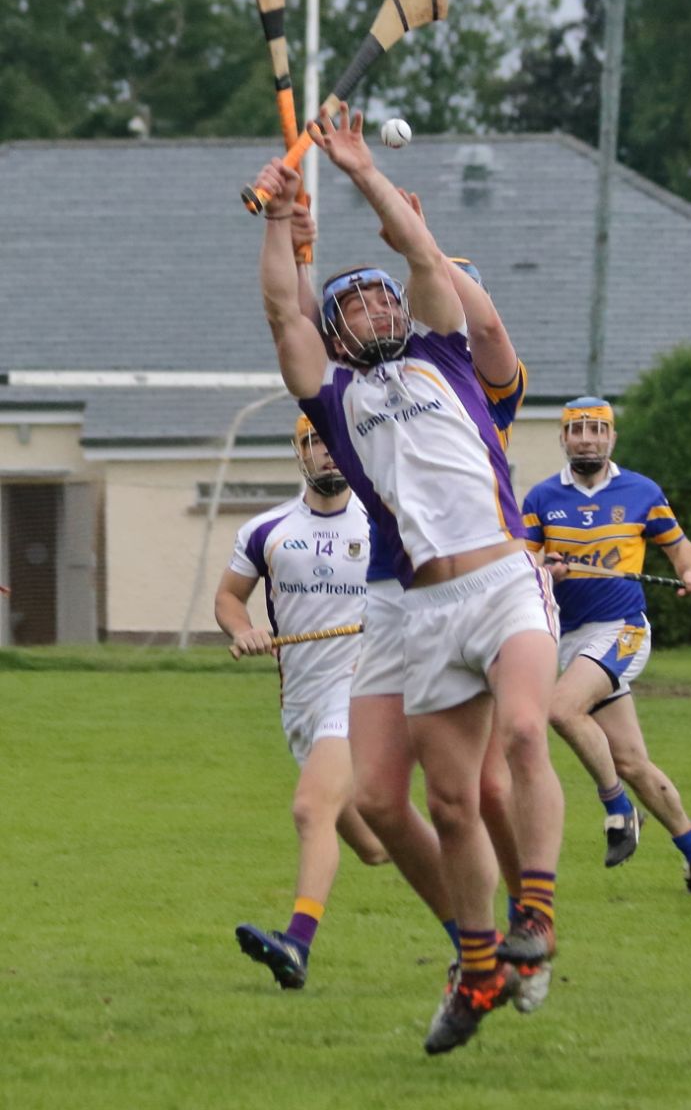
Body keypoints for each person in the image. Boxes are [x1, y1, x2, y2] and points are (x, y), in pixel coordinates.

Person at [250, 103, 564, 1055]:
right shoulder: (338, 402)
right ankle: (476, 964)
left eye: (384, 296)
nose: (380, 308)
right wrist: (278, 219)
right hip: (422, 604)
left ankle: (536, 922)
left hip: (506, 579)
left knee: (521, 732)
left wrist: (356, 171)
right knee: (442, 804)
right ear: (338, 334)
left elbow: (427, 261)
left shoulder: (447, 356)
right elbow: (281, 312)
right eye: (357, 304)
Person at [214, 413, 387, 992]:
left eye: (334, 440)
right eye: (314, 442)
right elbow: (229, 598)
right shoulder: (267, 531)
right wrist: (242, 630)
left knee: (311, 811)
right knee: (375, 847)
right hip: (301, 707)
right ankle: (471, 863)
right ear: (299, 453)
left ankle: (297, 943)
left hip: (361, 691)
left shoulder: (386, 521)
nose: (327, 452)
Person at [521, 396, 691, 892]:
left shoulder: (641, 492)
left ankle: (618, 810)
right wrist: (545, 572)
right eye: (577, 430)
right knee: (630, 760)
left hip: (622, 629)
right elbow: (521, 568)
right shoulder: (542, 499)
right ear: (563, 438)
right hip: (570, 639)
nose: (587, 438)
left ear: (612, 437)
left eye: (596, 429)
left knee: (563, 710)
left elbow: (678, 547)